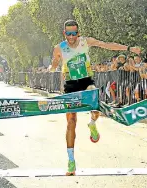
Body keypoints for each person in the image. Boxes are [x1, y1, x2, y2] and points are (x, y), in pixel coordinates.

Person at [48, 20, 141, 176]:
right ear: (64, 33)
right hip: (70, 85)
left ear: (78, 32)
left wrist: (129, 49)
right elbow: (55, 64)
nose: (71, 37)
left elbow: (107, 45)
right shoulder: (59, 48)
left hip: (86, 82)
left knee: (96, 107)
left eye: (74, 33)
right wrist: (53, 67)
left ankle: (92, 123)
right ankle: (71, 161)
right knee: (71, 122)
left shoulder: (86, 42)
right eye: (68, 34)